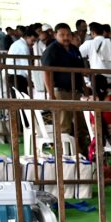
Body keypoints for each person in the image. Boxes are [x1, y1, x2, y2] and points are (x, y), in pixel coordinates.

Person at [42, 23, 89, 153]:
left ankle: (83, 153)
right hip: (61, 92)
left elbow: (80, 72)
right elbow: (46, 72)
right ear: (55, 35)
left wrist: (85, 90)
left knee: (82, 125)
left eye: (68, 34)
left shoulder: (74, 49)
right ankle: (64, 156)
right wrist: (51, 95)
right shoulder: (52, 50)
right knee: (64, 126)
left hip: (77, 92)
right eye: (62, 35)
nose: (66, 37)